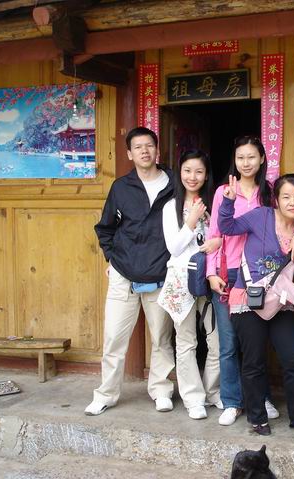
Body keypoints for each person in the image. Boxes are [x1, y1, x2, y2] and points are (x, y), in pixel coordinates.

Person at [206, 136, 294, 426]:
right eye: (240, 157)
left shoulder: (270, 191)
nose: (246, 163)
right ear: (234, 160)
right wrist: (211, 272)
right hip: (231, 271)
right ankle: (232, 401)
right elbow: (216, 232)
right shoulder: (224, 191)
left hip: (267, 275)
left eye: (252, 157)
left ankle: (261, 399)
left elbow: (293, 211)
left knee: (260, 346)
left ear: (263, 159)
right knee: (230, 344)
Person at [218, 173, 294, 436]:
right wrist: (228, 202)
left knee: (293, 359)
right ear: (276, 199)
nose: (292, 202)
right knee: (253, 362)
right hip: (248, 300)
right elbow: (227, 227)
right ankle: (257, 417)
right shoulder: (261, 216)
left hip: (279, 303)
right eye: (286, 197)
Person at [86, 127, 175, 416]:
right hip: (124, 275)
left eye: (149, 145)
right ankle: (106, 394)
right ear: (129, 154)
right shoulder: (121, 187)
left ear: (157, 149)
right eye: (138, 147)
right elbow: (105, 228)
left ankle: (161, 390)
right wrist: (112, 258)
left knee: (161, 338)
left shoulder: (175, 182)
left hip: (161, 273)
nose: (144, 151)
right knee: (114, 337)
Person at [157, 150, 222, 420]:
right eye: (187, 170)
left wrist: (218, 241)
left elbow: (224, 238)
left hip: (210, 278)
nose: (192, 177)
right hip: (181, 280)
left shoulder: (215, 203)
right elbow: (173, 247)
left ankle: (213, 392)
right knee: (186, 342)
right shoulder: (170, 207)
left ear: (206, 175)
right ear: (179, 173)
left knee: (217, 340)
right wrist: (192, 220)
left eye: (198, 171)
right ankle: (193, 398)